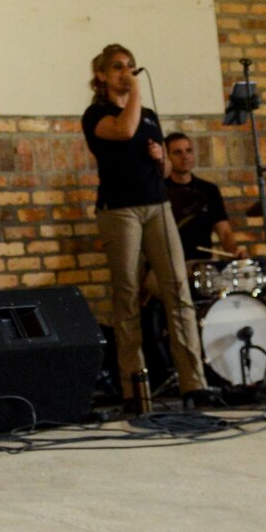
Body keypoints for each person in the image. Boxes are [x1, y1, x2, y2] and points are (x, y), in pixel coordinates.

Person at [81, 44, 210, 411]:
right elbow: (123, 131)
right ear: (103, 76)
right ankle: (135, 390)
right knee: (127, 297)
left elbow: (168, 172)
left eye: (132, 67)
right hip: (119, 212)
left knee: (178, 291)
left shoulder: (150, 116)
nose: (128, 72)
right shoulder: (96, 115)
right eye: (118, 67)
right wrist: (135, 90)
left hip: (158, 207)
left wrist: (162, 160)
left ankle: (193, 385)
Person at [163, 131, 243, 262]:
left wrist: (234, 251)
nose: (185, 156)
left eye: (188, 151)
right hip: (167, 263)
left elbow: (224, 232)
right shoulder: (159, 190)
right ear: (167, 158)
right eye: (178, 152)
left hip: (203, 263)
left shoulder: (209, 190)